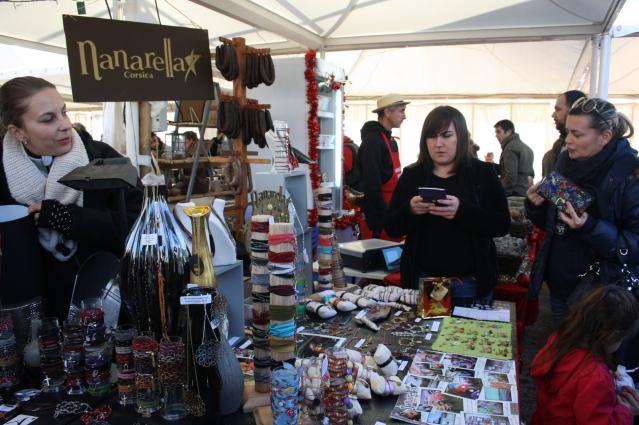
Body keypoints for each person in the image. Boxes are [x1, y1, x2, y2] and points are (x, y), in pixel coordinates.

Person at [0, 76, 142, 320]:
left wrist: (69, 218)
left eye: (63, 112)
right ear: (18, 131)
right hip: (26, 311)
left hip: (102, 304)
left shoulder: (105, 160)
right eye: (48, 119)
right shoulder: (2, 171)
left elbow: (140, 223)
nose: (65, 124)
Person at [526, 97, 639, 331]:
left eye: (577, 135)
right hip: (560, 286)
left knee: (588, 352)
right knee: (563, 345)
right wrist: (536, 205)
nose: (568, 140)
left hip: (600, 297)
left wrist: (590, 227)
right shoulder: (564, 162)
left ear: (605, 137)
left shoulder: (630, 176)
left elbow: (633, 245)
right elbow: (553, 223)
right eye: (568, 132)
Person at [383, 106, 510, 305]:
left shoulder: (482, 174)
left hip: (470, 282)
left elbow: (501, 224)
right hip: (427, 279)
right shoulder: (412, 175)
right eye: (432, 136)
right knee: (430, 326)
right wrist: (410, 210)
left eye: (446, 135)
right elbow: (392, 227)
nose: (438, 144)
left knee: (466, 327)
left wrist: (462, 211)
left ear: (461, 137)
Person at [530, 285, 639, 425]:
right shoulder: (596, 376)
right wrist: (626, 411)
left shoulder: (561, 340)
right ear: (612, 335)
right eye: (621, 339)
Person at [353, 93, 409, 240]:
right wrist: (385, 220)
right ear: (387, 112)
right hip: (379, 219)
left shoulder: (390, 140)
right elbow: (372, 188)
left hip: (392, 210)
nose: (404, 116)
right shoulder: (373, 141)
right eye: (401, 111)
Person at [542, 90, 586, 177]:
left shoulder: (582, 151)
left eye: (558, 109)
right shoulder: (558, 148)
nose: (553, 115)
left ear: (573, 110)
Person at [494, 119, 534, 196]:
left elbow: (510, 177)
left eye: (498, 132)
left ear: (509, 132)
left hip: (512, 194)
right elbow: (530, 176)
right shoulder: (527, 148)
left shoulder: (510, 148)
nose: (496, 135)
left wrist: (496, 190)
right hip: (524, 193)